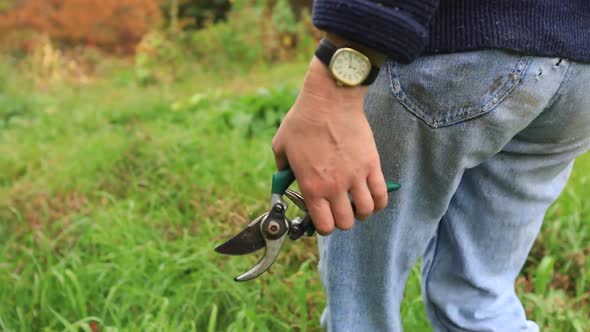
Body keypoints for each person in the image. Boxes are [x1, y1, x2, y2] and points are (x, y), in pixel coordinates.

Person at [271, 0, 590, 331]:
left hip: (454, 50)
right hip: (580, 73)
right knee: (479, 302)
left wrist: (336, 78)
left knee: (361, 311)